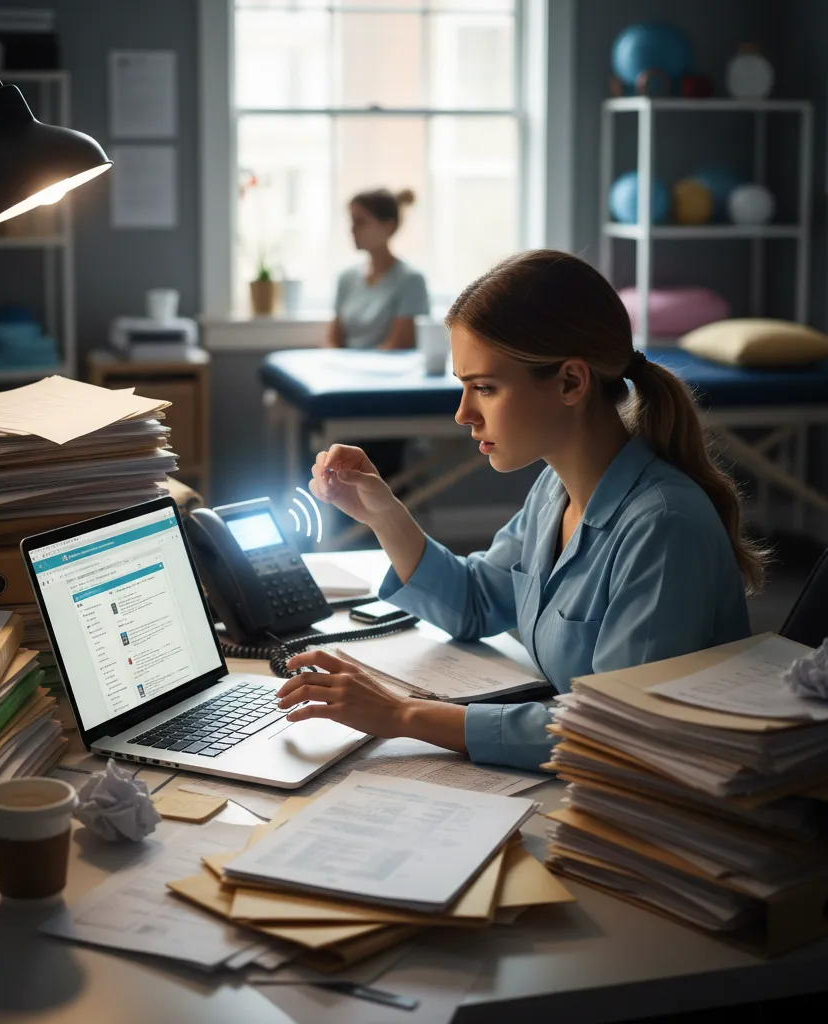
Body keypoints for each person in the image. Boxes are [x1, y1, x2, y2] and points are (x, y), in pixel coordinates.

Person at [278, 250, 765, 771]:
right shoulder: (555, 491)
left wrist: (402, 716)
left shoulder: (662, 525)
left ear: (571, 383)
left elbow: (615, 732)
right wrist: (382, 512)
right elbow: (475, 602)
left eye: (484, 388)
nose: (463, 414)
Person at [327, 188, 430, 352]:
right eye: (352, 221)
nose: (352, 229)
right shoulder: (346, 278)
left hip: (383, 373)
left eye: (361, 222)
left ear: (388, 226)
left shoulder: (411, 281)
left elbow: (398, 345)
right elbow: (333, 341)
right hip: (344, 370)